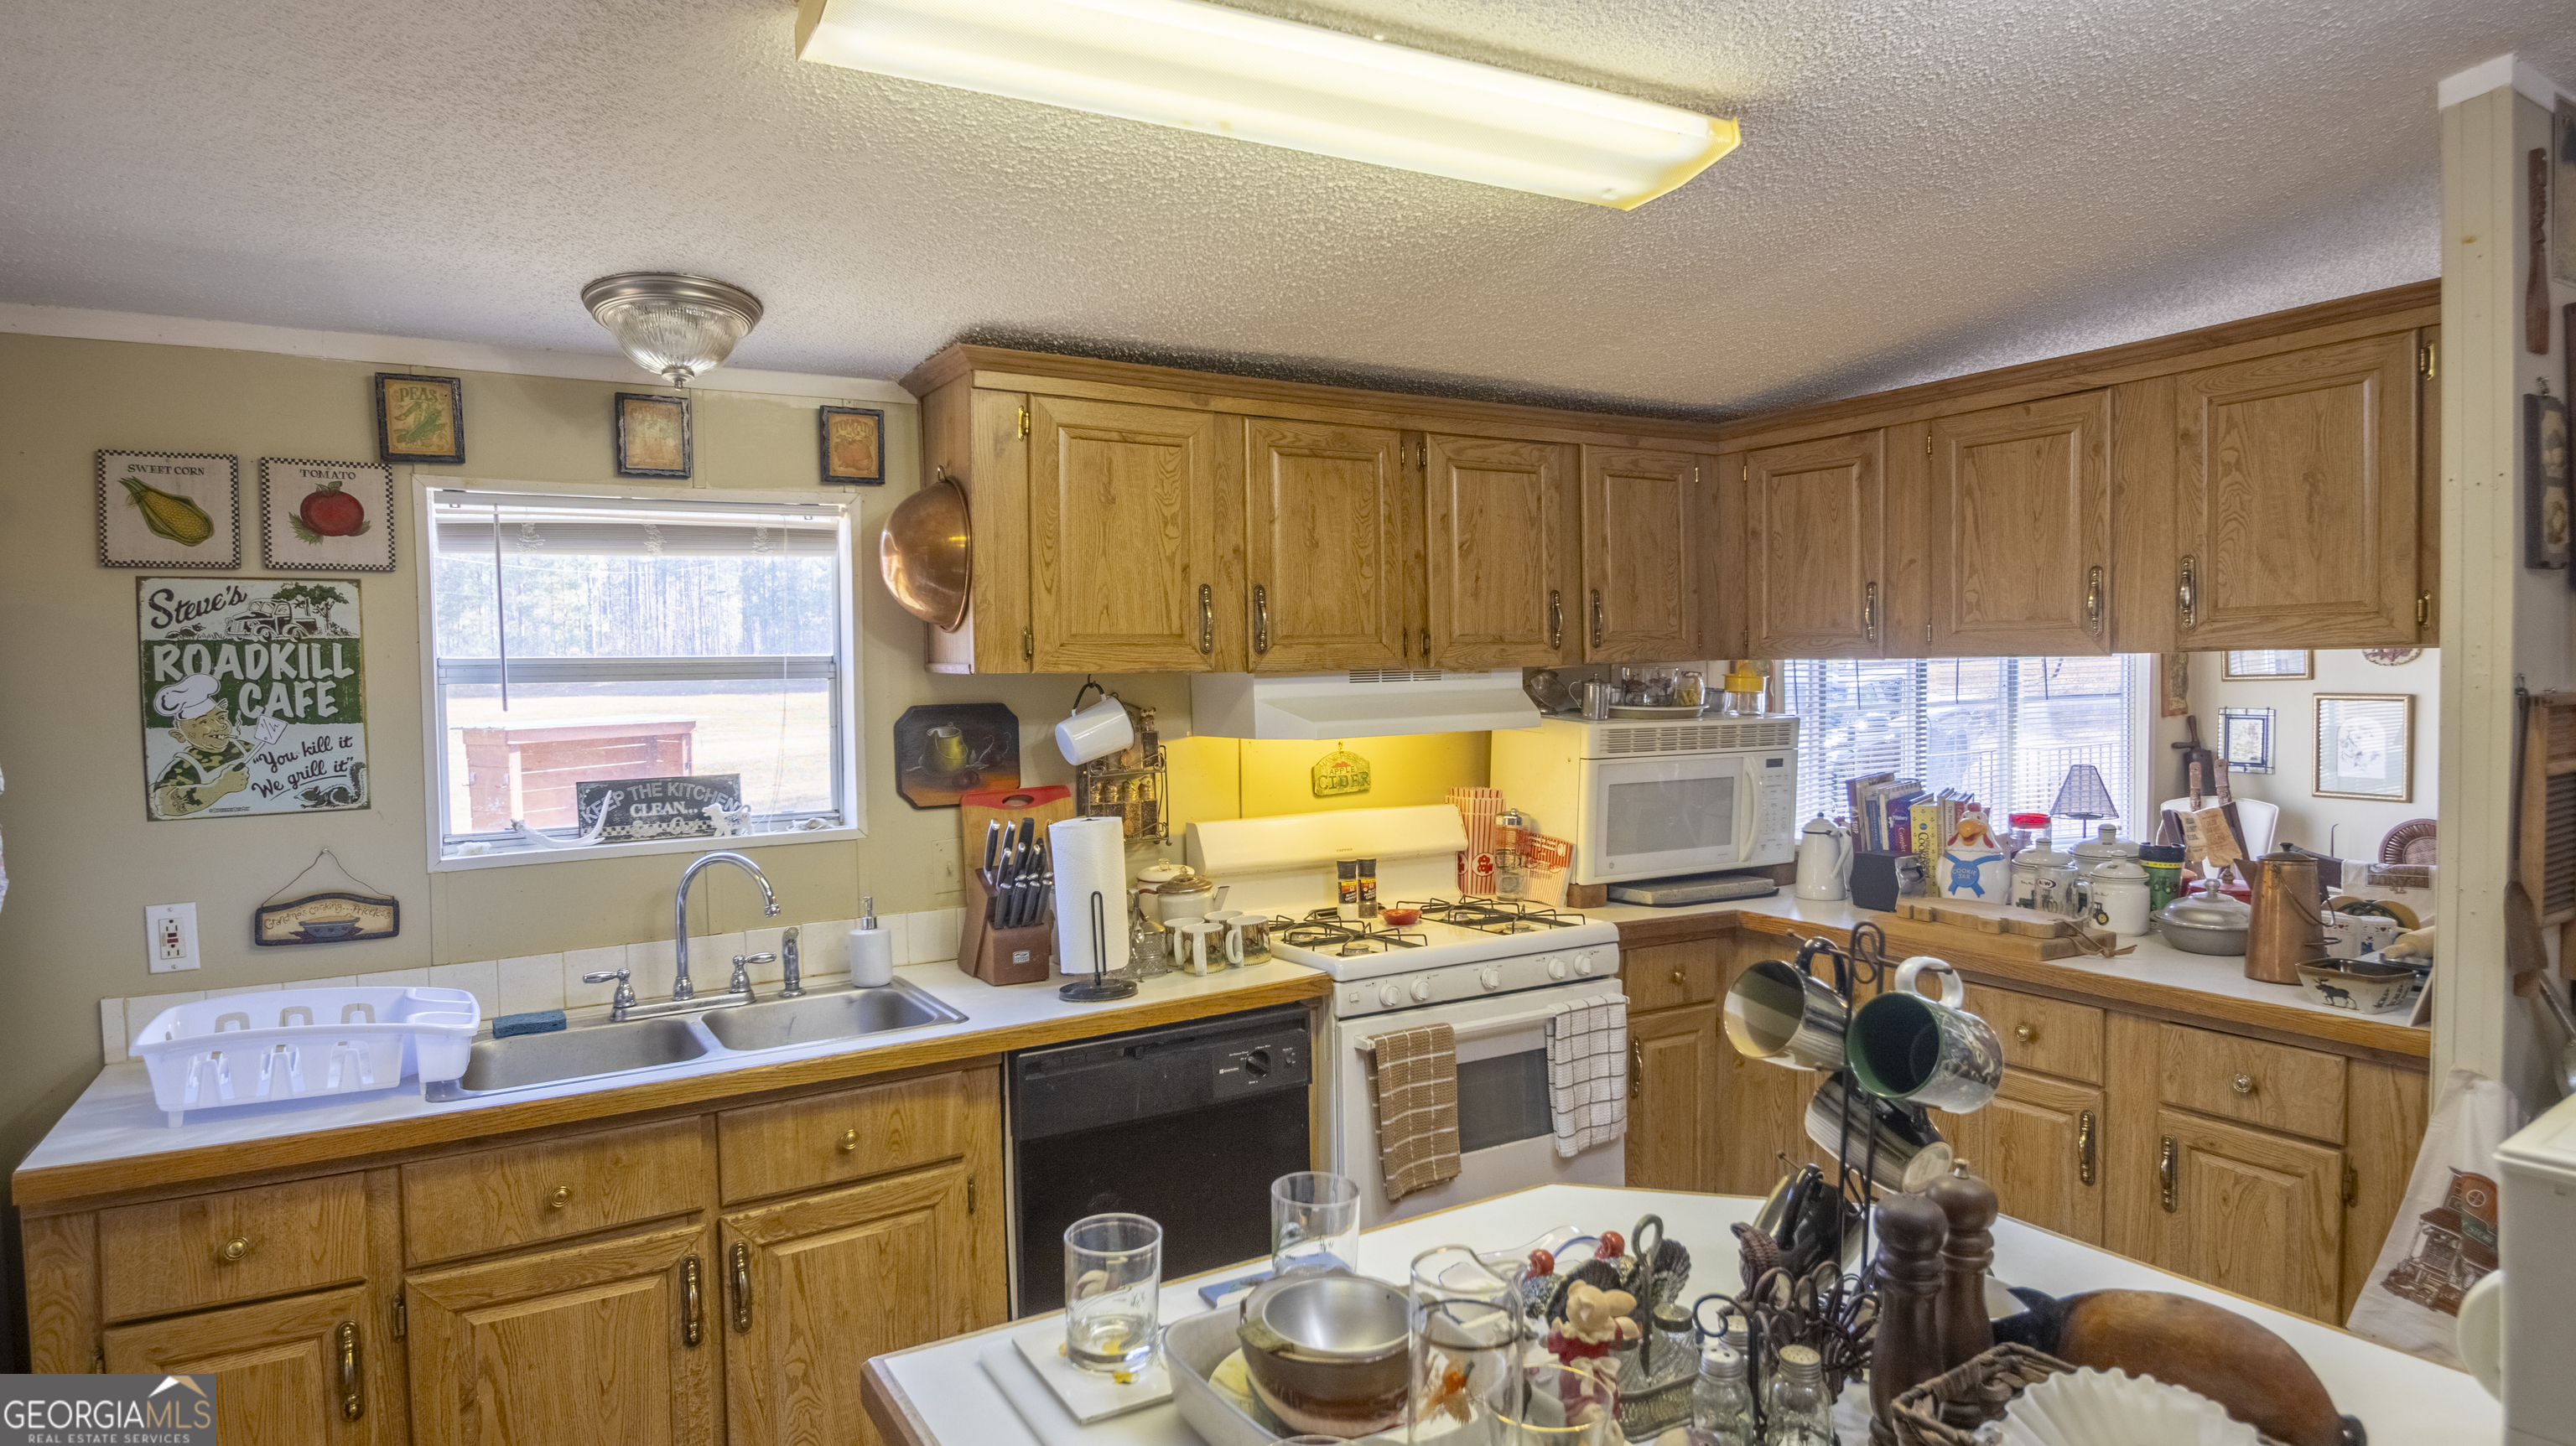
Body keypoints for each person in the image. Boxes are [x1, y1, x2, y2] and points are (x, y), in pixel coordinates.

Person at [151, 674, 249, 817]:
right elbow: (164, 804)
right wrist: (221, 787)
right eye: (204, 722)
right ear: (179, 735)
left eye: (221, 717)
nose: (220, 725)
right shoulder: (184, 767)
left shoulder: (243, 747)